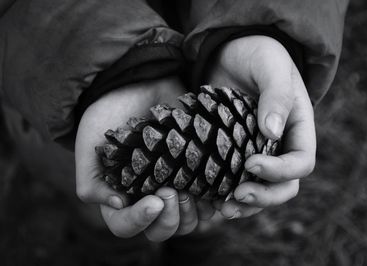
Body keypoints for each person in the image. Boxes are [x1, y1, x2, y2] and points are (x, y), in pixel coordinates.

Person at [0, 0, 348, 246]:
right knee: (106, 200)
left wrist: (265, 27)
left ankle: (196, 248)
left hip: (210, 77)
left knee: (210, 205)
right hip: (62, 96)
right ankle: (112, 252)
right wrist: (110, 70)